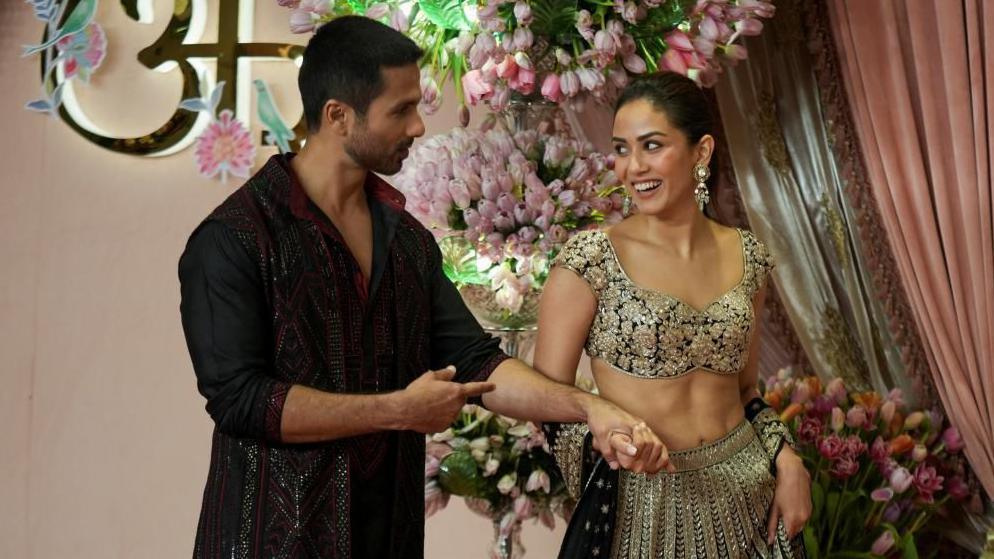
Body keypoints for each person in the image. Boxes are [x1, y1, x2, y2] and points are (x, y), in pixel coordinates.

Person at [178, 16, 665, 559]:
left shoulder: (405, 239)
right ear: (338, 116)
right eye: (401, 110)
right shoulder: (234, 238)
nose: (417, 127)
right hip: (268, 543)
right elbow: (243, 402)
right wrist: (397, 411)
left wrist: (588, 407)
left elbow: (477, 363)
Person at [535, 72, 812, 558]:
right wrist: (610, 441)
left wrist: (787, 459)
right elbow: (545, 404)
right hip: (644, 510)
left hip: (748, 495)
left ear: (701, 152)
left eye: (652, 145)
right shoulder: (591, 260)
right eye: (621, 149)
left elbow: (745, 391)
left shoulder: (748, 255)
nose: (632, 167)